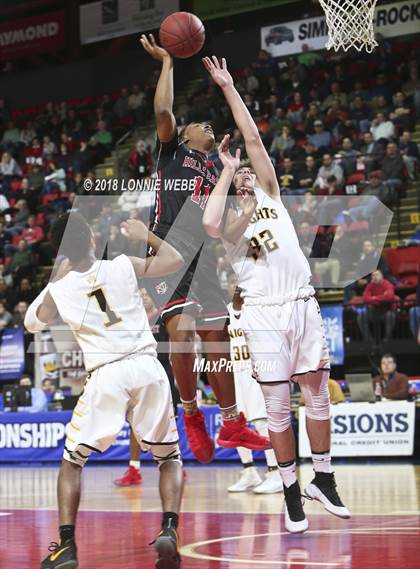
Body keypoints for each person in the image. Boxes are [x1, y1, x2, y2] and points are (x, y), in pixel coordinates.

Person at [202, 55, 349, 533]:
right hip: (262, 314)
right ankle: (290, 490)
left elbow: (252, 139)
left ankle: (322, 480)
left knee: (318, 398)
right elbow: (209, 223)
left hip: (303, 303)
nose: (246, 176)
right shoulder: (226, 223)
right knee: (279, 411)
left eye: (246, 173)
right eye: (239, 177)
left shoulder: (269, 193)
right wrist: (225, 171)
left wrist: (228, 86)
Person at [24, 213, 185, 569]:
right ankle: (170, 530)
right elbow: (176, 261)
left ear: (61, 252)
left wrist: (57, 275)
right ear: (94, 241)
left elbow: (31, 322)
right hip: (146, 366)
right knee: (169, 458)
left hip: (106, 374)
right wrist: (148, 235)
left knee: (72, 462)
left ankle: (67, 545)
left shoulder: (59, 288)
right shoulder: (123, 265)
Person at [140, 34, 269, 464]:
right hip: (168, 250)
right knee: (184, 334)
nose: (207, 126)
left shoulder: (218, 169)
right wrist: (167, 63)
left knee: (218, 340)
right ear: (185, 133)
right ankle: (191, 413)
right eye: (200, 124)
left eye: (210, 126)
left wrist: (247, 208)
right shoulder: (171, 150)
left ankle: (232, 422)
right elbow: (162, 110)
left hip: (203, 258)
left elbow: (223, 230)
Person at [113, 288, 181, 487]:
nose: (143, 297)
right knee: (135, 423)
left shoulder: (163, 317)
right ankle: (134, 470)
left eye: (146, 294)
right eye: (140, 295)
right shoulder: (131, 321)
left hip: (164, 374)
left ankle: (176, 464)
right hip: (139, 375)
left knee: (170, 423)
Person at [227, 281, 283, 495]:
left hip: (255, 371)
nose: (237, 288)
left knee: (261, 422)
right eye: (233, 283)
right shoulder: (224, 314)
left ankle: (275, 473)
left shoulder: (258, 312)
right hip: (234, 373)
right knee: (235, 424)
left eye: (241, 285)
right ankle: (250, 471)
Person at [358, 270, 396, 343]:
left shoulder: (387, 284)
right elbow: (365, 298)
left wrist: (373, 298)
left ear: (382, 276)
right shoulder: (370, 285)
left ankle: (387, 339)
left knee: (390, 316)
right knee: (361, 317)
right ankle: (369, 340)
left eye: (377, 275)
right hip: (374, 311)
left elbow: (389, 297)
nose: (374, 277)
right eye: (373, 275)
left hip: (387, 310)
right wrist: (381, 298)